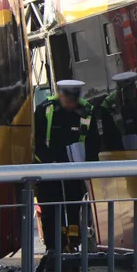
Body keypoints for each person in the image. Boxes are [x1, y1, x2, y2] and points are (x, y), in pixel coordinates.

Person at [33, 79, 93, 253]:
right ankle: (54, 251)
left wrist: (87, 164)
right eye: (67, 99)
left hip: (74, 171)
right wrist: (48, 162)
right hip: (48, 172)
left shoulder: (86, 111)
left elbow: (91, 140)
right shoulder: (45, 110)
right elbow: (36, 141)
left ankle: (73, 245)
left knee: (74, 212)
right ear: (60, 95)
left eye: (73, 100)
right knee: (52, 213)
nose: (70, 103)